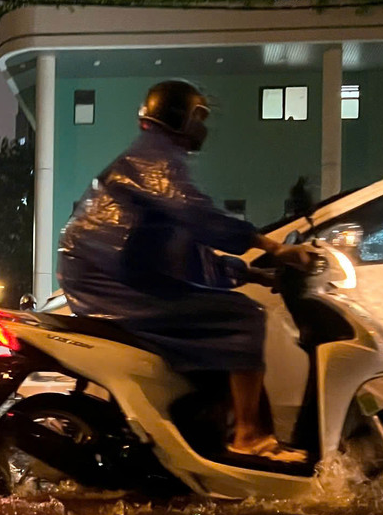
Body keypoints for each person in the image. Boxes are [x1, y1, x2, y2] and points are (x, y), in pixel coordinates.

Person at [57, 79, 316, 464]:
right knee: (243, 317)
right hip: (113, 285)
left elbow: (184, 255)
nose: (203, 128)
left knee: (225, 316)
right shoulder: (155, 156)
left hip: (119, 276)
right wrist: (272, 246)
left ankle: (210, 433)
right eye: (200, 117)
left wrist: (253, 275)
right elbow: (195, 214)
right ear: (181, 117)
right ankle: (249, 437)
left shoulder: (156, 157)